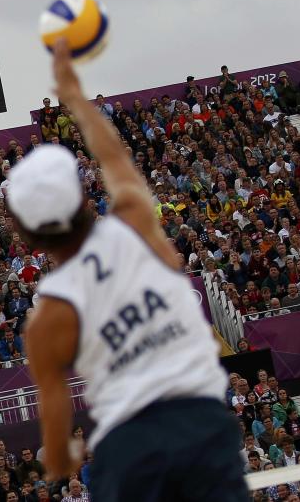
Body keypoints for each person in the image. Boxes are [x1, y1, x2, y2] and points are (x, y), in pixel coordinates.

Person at [17, 39, 246, 501]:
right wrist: (75, 98)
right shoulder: (138, 226)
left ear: (29, 237)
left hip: (128, 450)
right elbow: (115, 156)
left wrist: (64, 457)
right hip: (202, 426)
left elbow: (59, 451)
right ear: (83, 199)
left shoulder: (47, 317)